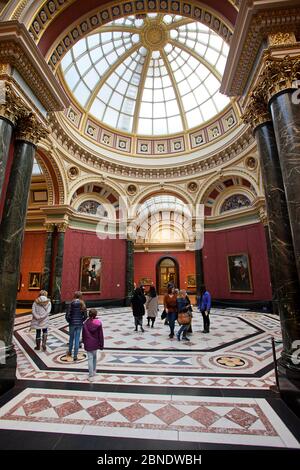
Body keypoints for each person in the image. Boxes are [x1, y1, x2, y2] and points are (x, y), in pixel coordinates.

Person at [82, 309, 104, 381]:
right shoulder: (98, 323)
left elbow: (83, 334)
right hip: (95, 343)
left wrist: (84, 342)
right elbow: (101, 335)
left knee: (90, 358)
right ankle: (94, 371)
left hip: (88, 343)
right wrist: (101, 344)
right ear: (95, 315)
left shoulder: (85, 323)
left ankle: (90, 373)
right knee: (94, 357)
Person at [66, 291, 87, 361]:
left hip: (72, 323)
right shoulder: (83, 304)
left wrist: (69, 320)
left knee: (71, 338)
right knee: (77, 339)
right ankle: (75, 355)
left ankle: (69, 352)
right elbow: (85, 315)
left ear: (74, 296)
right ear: (81, 296)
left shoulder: (71, 303)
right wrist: (82, 320)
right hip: (79, 324)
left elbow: (67, 315)